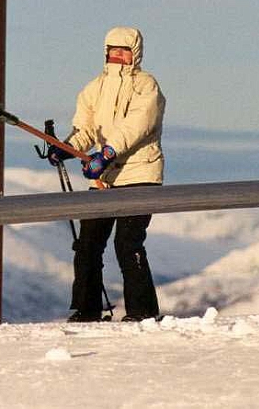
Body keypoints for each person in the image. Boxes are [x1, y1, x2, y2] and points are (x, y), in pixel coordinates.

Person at [47, 26, 166, 322]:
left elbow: (136, 126)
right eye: (112, 49)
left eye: (123, 50)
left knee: (127, 243)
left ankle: (142, 312)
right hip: (103, 178)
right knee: (87, 244)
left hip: (140, 174)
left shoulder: (146, 86)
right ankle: (86, 309)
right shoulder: (93, 88)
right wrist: (67, 147)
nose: (117, 55)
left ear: (135, 53)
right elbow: (85, 129)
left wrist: (107, 154)